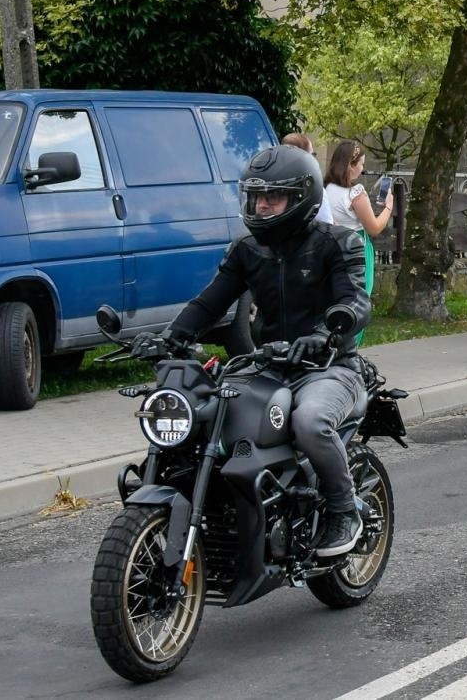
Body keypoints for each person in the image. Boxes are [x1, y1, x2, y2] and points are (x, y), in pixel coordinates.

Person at [164, 144, 371, 556]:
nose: (261, 206)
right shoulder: (248, 249)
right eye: (256, 197)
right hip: (267, 366)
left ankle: (343, 511)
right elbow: (210, 302)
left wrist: (325, 332)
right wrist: (171, 335)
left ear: (301, 197)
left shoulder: (338, 243)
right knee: (203, 416)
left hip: (330, 366)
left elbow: (355, 301)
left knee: (310, 422)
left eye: (272, 198)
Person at [323, 141, 395, 345]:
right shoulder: (356, 193)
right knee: (359, 299)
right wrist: (388, 206)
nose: (362, 168)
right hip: (358, 249)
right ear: (350, 165)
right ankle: (351, 346)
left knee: (338, 298)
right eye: (361, 163)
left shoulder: (328, 188)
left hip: (335, 248)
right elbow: (374, 227)